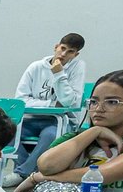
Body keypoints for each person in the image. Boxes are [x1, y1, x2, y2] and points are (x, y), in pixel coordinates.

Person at [11, 33, 88, 182]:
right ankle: (27, 171)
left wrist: (59, 74)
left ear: (76, 54)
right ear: (56, 47)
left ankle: (22, 174)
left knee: (50, 135)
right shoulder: (36, 67)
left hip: (61, 121)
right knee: (5, 130)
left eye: (70, 51)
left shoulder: (77, 67)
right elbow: (20, 100)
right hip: (31, 119)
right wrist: (51, 104)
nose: (64, 54)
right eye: (62, 48)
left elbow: (69, 101)